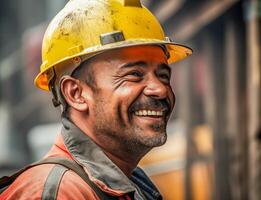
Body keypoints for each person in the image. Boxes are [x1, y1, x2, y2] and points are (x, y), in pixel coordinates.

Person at [0, 0, 192, 199]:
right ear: (76, 93)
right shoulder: (57, 191)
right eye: (134, 74)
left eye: (163, 76)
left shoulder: (128, 183)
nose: (160, 89)